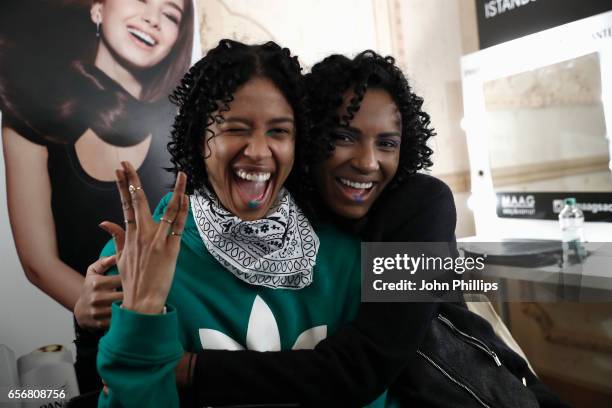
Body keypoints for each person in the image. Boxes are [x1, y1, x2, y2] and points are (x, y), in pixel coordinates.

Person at [95, 40, 393, 408]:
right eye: (236, 128)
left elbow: (370, 384)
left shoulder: (347, 254)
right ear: (198, 136)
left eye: (279, 131)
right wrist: (142, 310)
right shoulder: (137, 257)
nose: (258, 150)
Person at [0, 0, 194, 393]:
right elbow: (39, 262)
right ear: (98, 9)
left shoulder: (187, 119)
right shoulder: (30, 114)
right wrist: (106, 316)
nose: (152, 18)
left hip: (190, 341)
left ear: (177, 40)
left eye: (171, 14)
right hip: (103, 346)